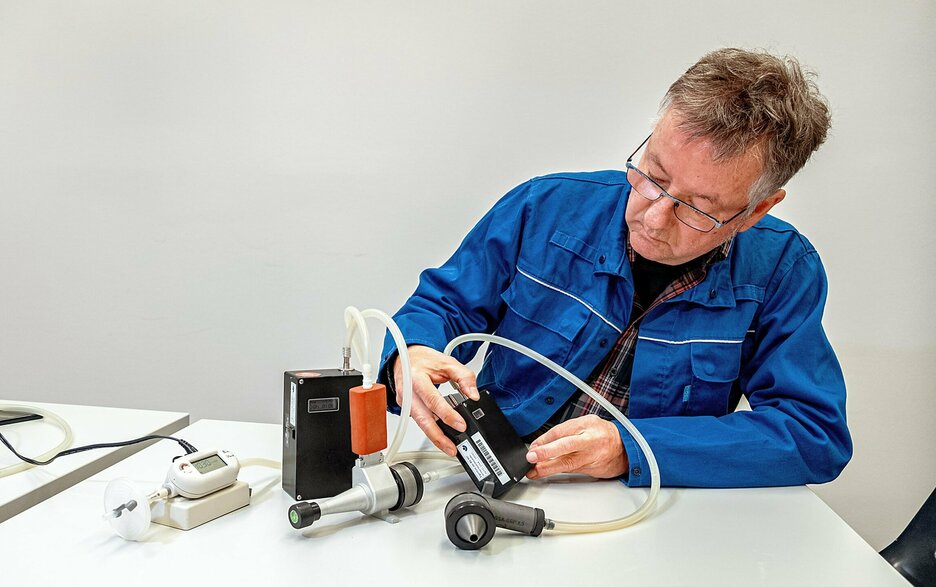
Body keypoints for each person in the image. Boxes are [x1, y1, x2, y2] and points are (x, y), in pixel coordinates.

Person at [378, 48, 852, 488]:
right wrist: (410, 356)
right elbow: (443, 304)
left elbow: (813, 433)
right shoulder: (543, 207)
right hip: (486, 476)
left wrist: (635, 449)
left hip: (647, 503)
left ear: (756, 211)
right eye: (654, 176)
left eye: (698, 208)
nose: (653, 216)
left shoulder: (784, 270)